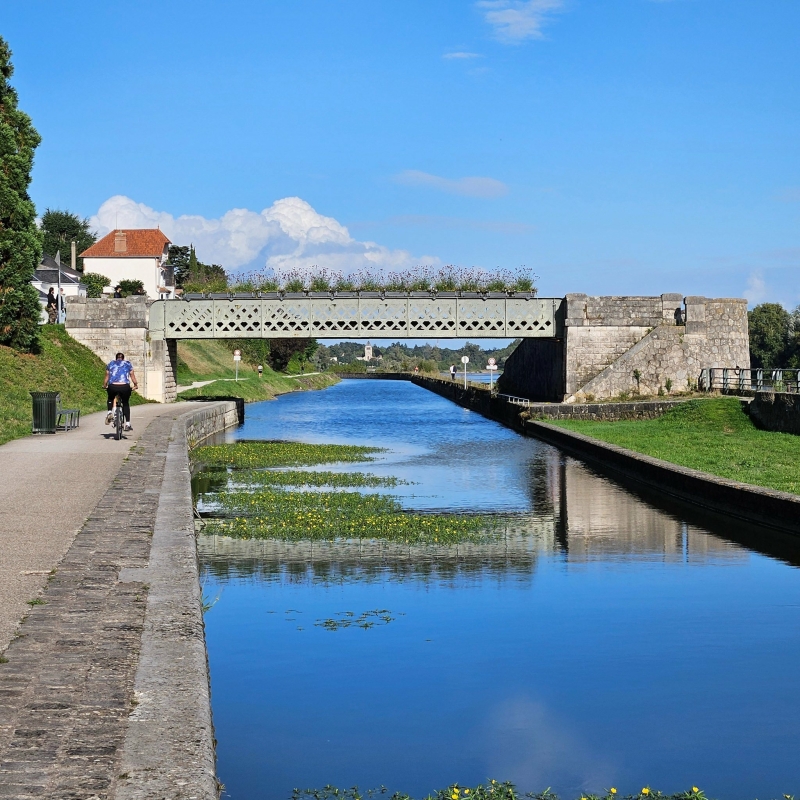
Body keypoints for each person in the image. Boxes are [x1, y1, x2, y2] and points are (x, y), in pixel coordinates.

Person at [103, 352, 139, 431]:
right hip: (124, 387)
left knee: (110, 398)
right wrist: (135, 385)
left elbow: (107, 376)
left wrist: (105, 385)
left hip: (113, 386)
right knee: (125, 403)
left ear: (116, 358)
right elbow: (132, 376)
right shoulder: (127, 364)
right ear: (123, 358)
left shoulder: (111, 364)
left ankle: (109, 412)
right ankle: (127, 424)